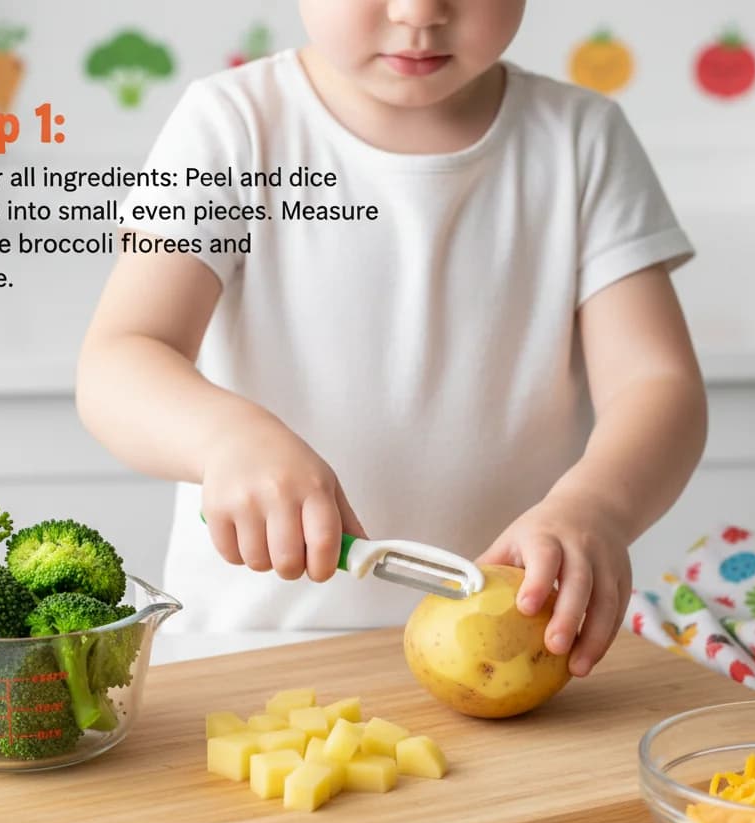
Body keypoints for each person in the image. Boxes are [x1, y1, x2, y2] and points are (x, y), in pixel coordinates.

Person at [76, 0, 707, 679]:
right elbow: (122, 356)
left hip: (507, 662)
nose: (420, 11)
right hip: (248, 652)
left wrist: (598, 507)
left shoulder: (582, 139)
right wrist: (225, 438)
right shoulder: (232, 124)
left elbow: (658, 385)